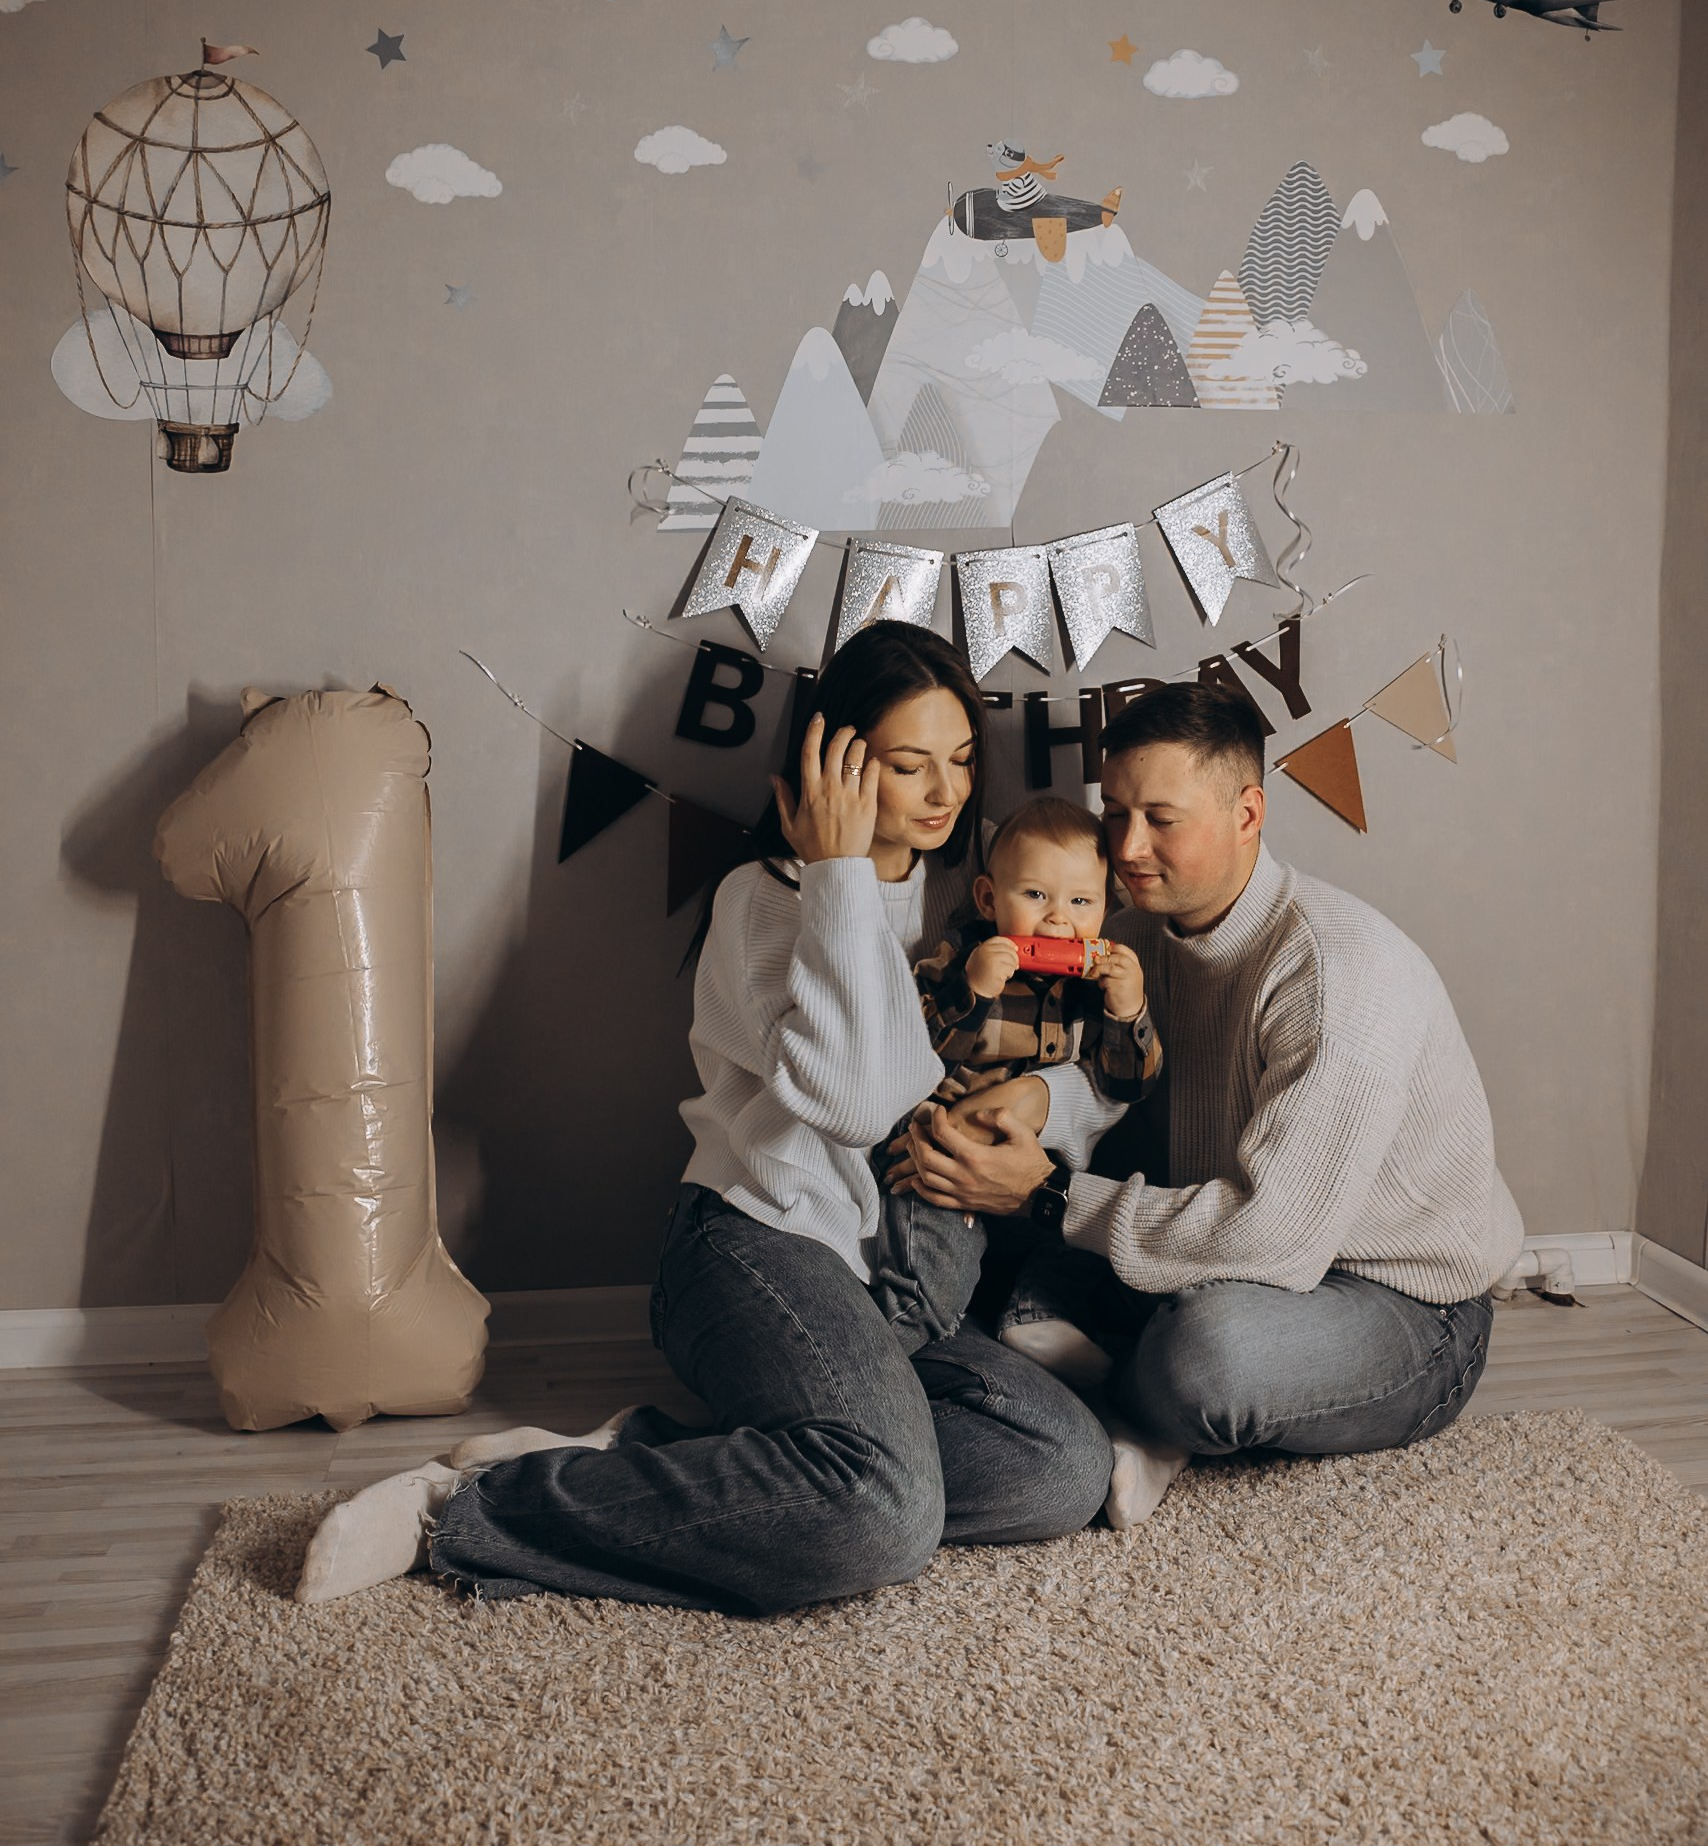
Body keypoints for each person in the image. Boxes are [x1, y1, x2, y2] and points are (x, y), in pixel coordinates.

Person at [295, 621, 1113, 1611]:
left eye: (962, 759)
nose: (946, 792)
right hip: (750, 1242)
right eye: (911, 765)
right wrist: (839, 874)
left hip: (890, 1276)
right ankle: (467, 1508)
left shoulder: (967, 909)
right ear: (836, 762)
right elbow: (861, 1102)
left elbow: (1068, 1063)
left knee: (1061, 1468)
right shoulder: (761, 902)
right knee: (883, 1518)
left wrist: (1041, 1096)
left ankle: (673, 1455)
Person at [900, 680, 1526, 1527]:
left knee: (1206, 1359)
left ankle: (1127, 1408)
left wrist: (1046, 1195)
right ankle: (1080, 1381)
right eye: (1115, 813)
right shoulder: (1128, 939)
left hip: (1398, 1300)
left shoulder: (1336, 974)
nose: (1127, 848)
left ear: (1247, 813)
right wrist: (1031, 1104)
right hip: (1219, 1244)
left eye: (1162, 819)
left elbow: (1277, 1239)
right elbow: (1104, 1079)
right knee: (971, 1227)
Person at [868, 794, 1159, 1370]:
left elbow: (1125, 1088)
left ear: (1106, 909)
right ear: (989, 898)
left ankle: (1033, 1318)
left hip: (1034, 1180)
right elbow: (909, 1059)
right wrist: (973, 991)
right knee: (935, 1270)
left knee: (1092, 1237)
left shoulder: (1095, 989)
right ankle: (883, 1344)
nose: (1057, 919)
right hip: (942, 1163)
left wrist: (1129, 1012)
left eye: (1081, 901)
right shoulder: (958, 961)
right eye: (1035, 895)